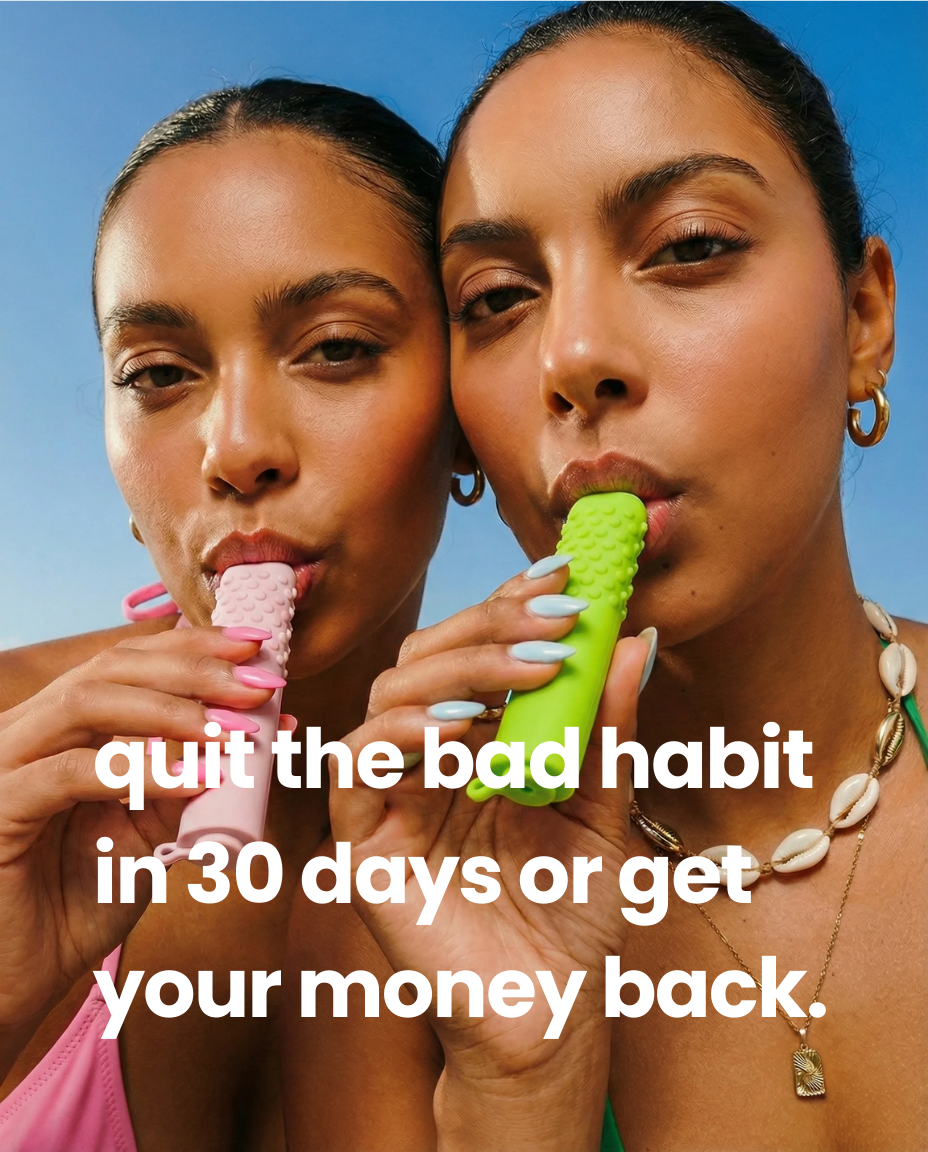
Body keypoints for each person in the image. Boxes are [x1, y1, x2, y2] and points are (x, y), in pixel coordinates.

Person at [289, 5, 928, 1150]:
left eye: (687, 246)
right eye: (494, 301)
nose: (572, 355)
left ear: (865, 315)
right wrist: (519, 1085)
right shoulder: (405, 909)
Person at [0, 77, 466, 1152]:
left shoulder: (562, 835)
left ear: (464, 411)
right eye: (158, 373)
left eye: (335, 347)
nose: (237, 448)